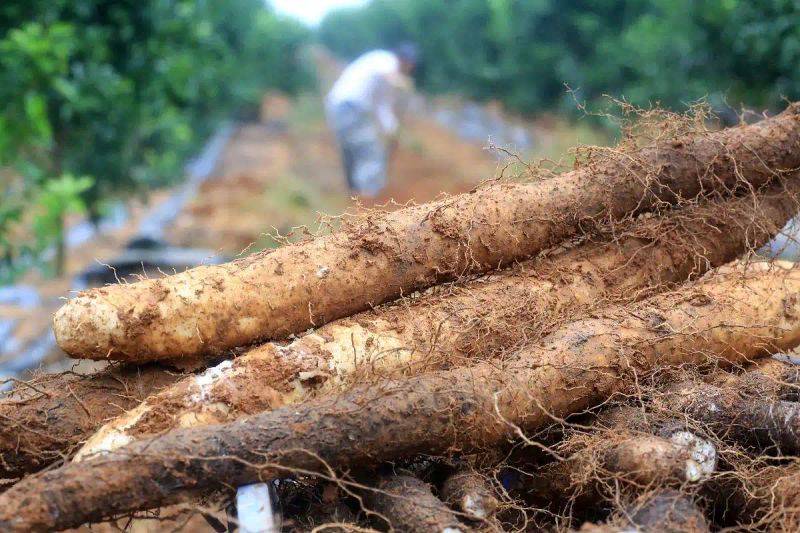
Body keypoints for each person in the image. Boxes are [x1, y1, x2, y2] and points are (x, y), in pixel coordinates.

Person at [326, 43, 418, 197]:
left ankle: (354, 196)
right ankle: (367, 200)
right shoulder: (385, 59)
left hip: (339, 106)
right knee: (370, 151)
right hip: (350, 107)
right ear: (405, 61)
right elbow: (389, 76)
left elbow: (382, 107)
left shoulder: (384, 78)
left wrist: (392, 132)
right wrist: (402, 83)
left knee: (351, 152)